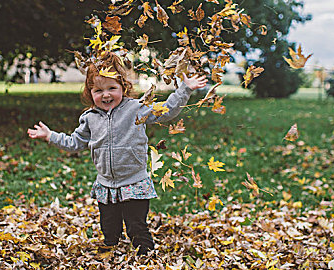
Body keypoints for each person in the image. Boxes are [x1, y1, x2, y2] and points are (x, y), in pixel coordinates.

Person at [27, 52, 207, 255]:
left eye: (112, 88)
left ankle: (146, 257)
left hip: (134, 183)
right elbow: (74, 142)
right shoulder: (89, 118)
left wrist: (185, 89)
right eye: (98, 90)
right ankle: (110, 252)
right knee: (109, 227)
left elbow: (166, 110)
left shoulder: (135, 109)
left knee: (136, 227)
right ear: (90, 92)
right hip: (106, 185)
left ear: (123, 87)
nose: (105, 95)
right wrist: (50, 135)